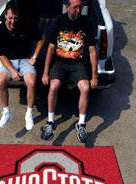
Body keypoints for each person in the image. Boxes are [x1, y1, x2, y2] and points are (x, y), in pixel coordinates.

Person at [41, 0, 98, 143]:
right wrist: (45, 73)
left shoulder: (87, 23)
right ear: (68, 7)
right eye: (76, 7)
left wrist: (94, 76)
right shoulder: (58, 21)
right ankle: (50, 122)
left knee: (85, 88)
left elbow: (92, 51)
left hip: (78, 64)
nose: (79, 10)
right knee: (53, 87)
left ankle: (81, 124)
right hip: (60, 63)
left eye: (81, 7)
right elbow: (51, 48)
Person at [0, 0, 45, 130]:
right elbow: (1, 55)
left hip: (24, 60)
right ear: (5, 15)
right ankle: (6, 112)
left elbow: (41, 39)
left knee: (32, 82)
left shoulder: (26, 25)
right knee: (1, 81)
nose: (13, 21)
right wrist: (12, 71)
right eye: (10, 18)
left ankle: (29, 114)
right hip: (8, 61)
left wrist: (34, 57)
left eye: (16, 18)